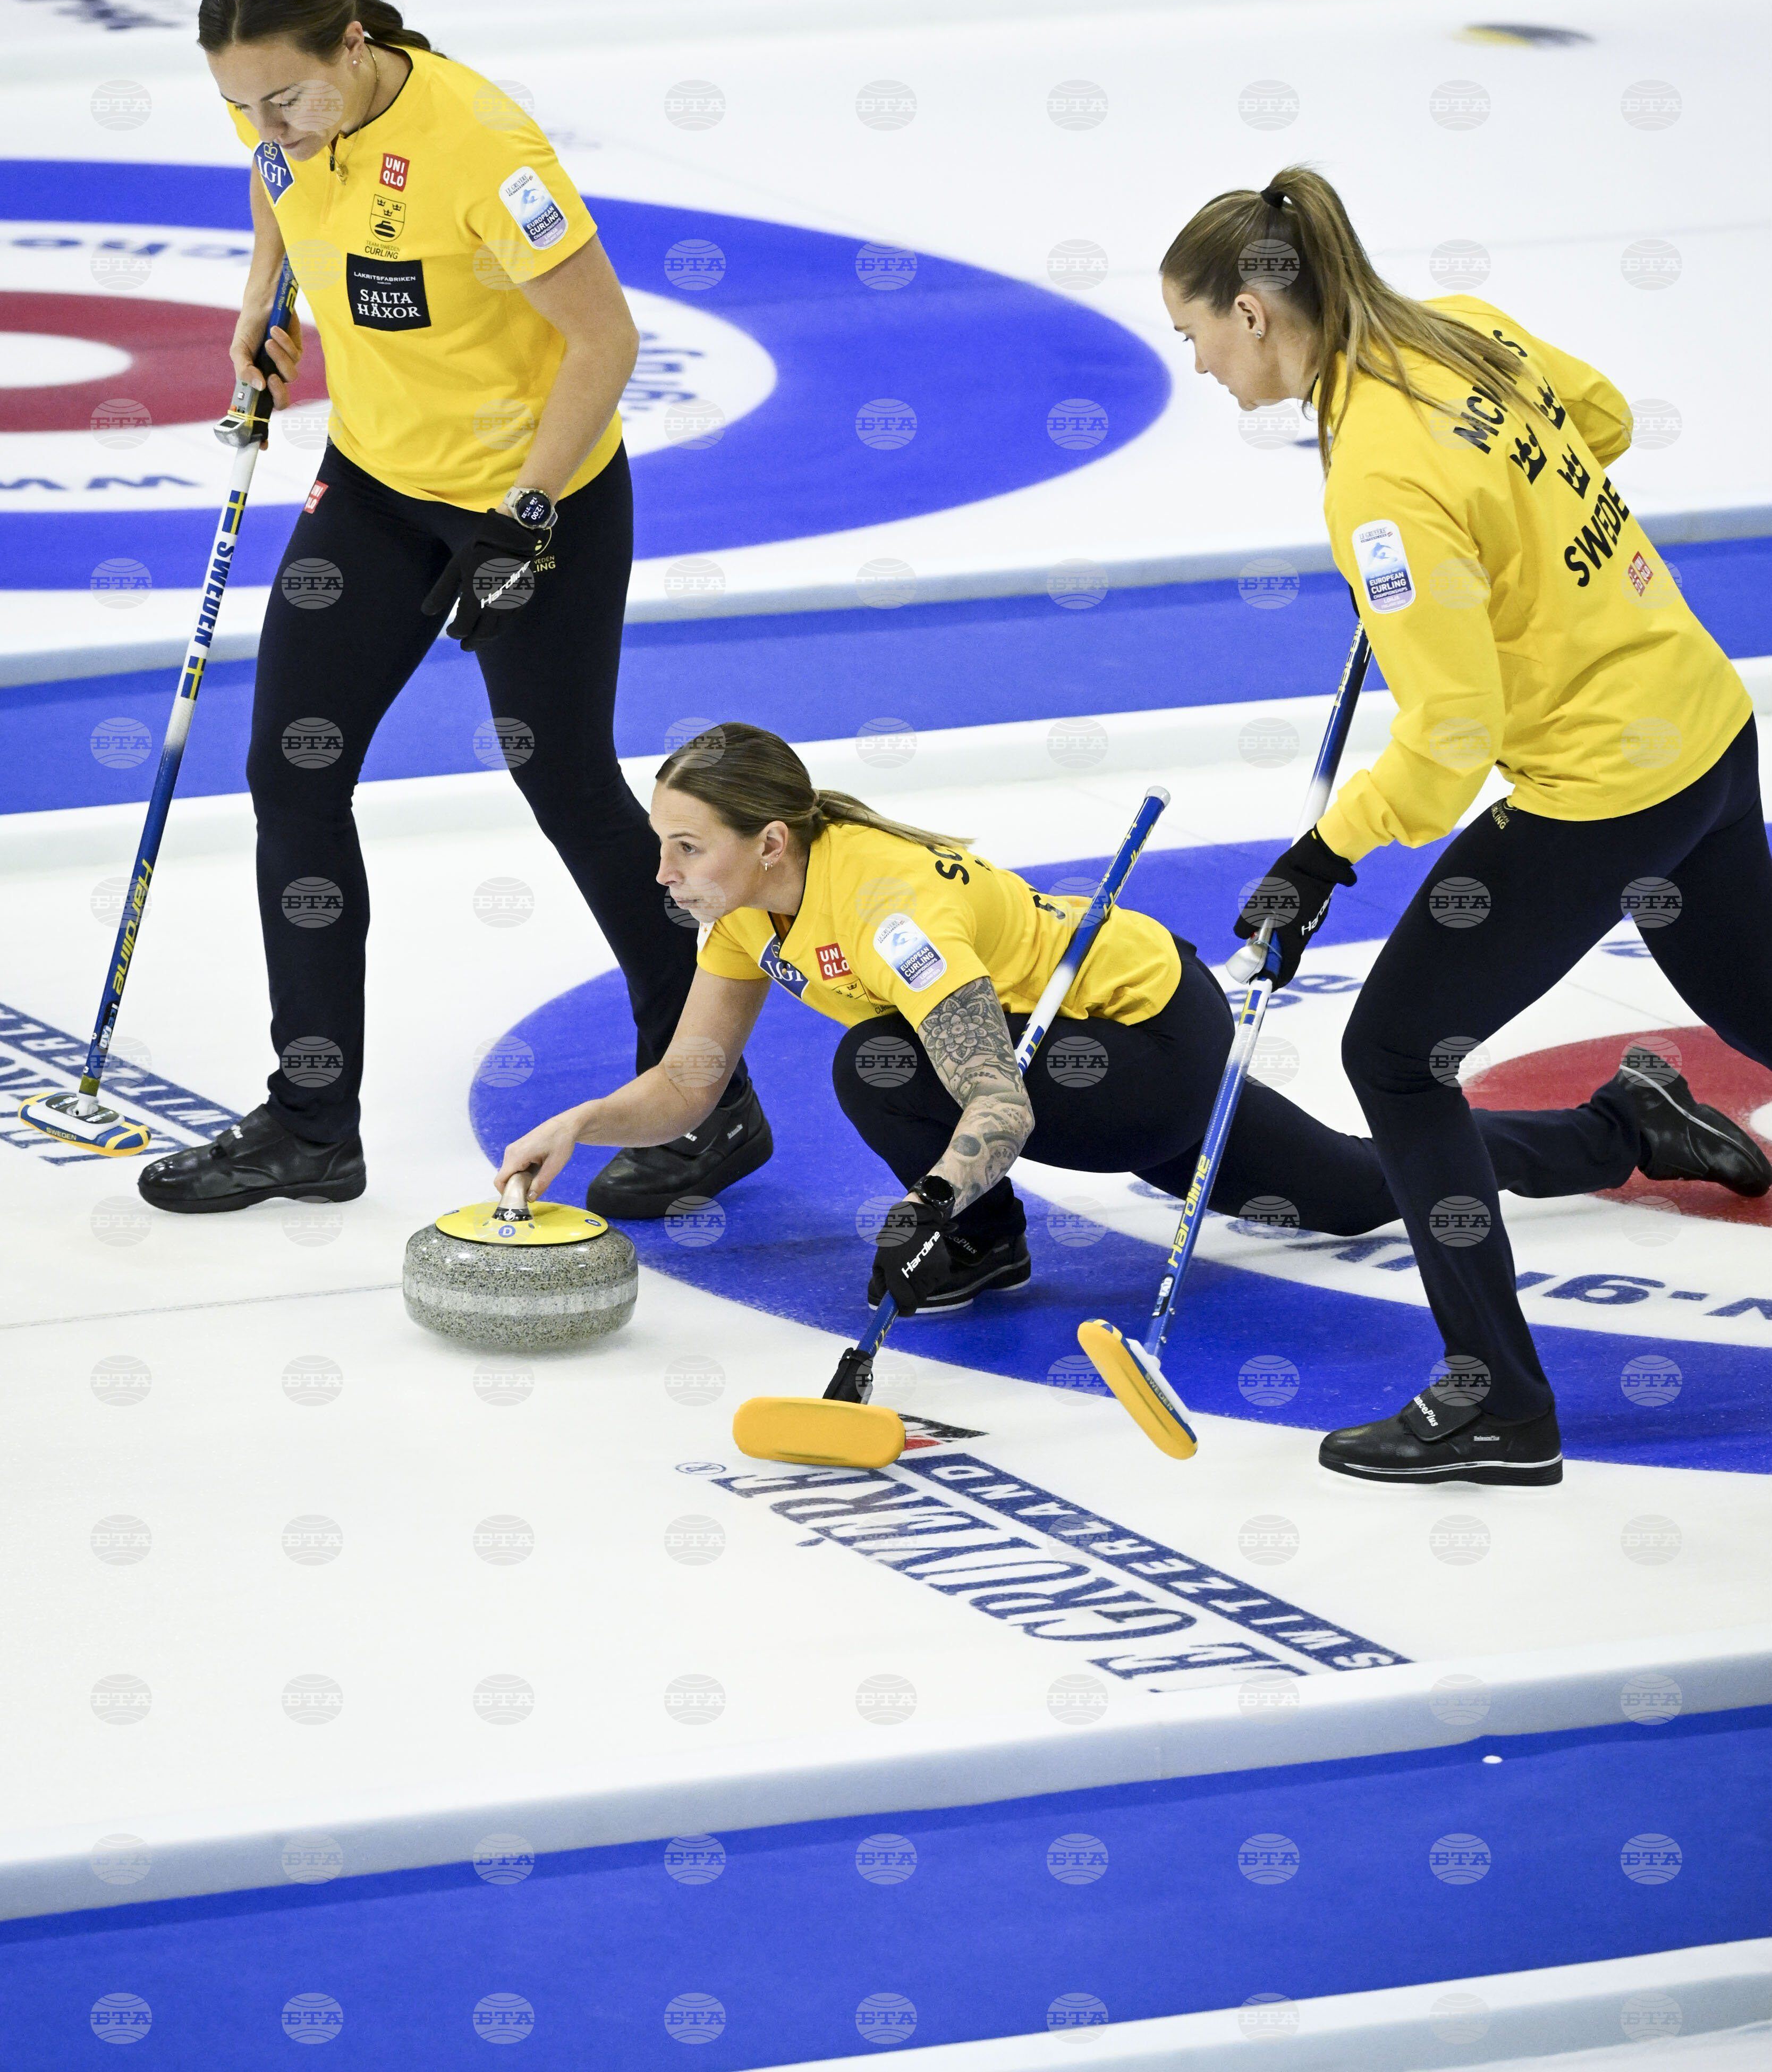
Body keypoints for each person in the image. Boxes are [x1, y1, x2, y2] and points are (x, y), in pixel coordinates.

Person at [138, 0, 769, 1220]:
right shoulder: (281, 117)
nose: (266, 124)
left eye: (285, 97)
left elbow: (607, 339)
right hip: (377, 485)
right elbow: (276, 175)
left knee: (566, 780)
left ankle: (708, 1095)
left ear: (354, 46)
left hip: (537, 496)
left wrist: (524, 514)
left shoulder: (485, 148)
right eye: (240, 103)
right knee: (293, 774)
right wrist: (263, 297)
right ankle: (312, 1122)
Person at [1161, 165, 1771, 1487]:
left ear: (1253, 313)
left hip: (1604, 785)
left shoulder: (1377, 477)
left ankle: (1495, 1398)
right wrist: (1487, 558)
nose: (1198, 363)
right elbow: (1600, 419)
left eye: (1195, 333)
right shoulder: (1458, 327)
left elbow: (1447, 743)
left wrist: (1323, 854)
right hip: (1705, 723)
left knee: (1393, 1053)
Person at [493, 724, 1766, 1320]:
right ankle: (1626, 1122)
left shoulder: (887, 911)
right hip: (1070, 1046)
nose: (663, 871)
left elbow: (997, 1101)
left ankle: (982, 1242)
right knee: (1348, 1189)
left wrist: (933, 1199)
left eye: (686, 846)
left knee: (874, 1062)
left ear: (771, 841)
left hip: (1141, 1036)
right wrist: (581, 1122)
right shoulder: (745, 914)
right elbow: (691, 1081)